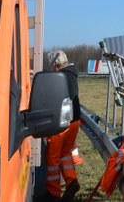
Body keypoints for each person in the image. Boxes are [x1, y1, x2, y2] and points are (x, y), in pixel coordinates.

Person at [43, 50, 81, 202]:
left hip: (62, 123)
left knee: (52, 158)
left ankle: (53, 192)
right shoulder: (71, 74)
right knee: (65, 153)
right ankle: (71, 181)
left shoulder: (60, 77)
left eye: (52, 67)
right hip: (75, 121)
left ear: (57, 66)